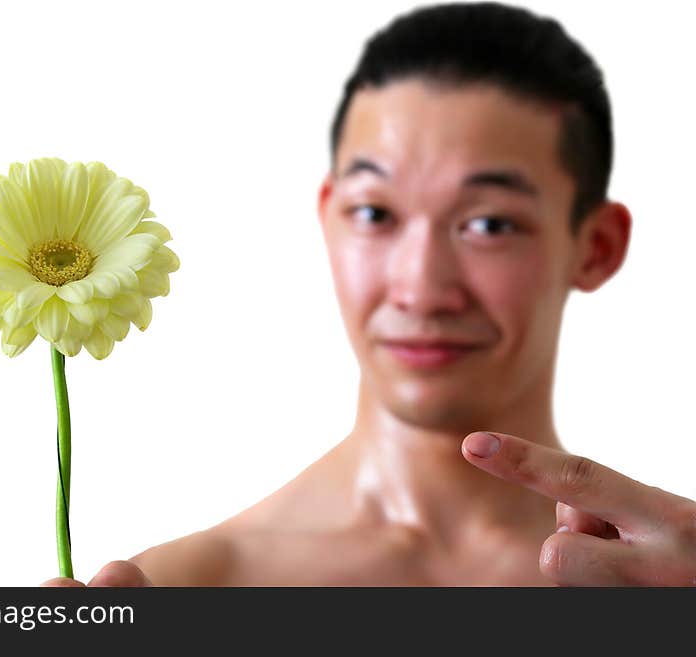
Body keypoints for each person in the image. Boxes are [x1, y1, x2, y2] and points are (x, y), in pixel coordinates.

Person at [44, 2, 696, 587]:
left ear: (597, 245)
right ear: (328, 216)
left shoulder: (667, 581)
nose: (419, 287)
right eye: (374, 214)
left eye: (489, 224)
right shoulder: (182, 592)